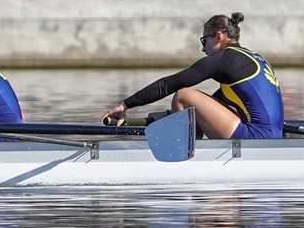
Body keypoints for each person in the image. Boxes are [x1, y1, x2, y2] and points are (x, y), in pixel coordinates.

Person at [102, 12, 284, 139]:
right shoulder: (249, 58)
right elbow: (204, 112)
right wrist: (169, 115)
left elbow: (169, 84)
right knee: (184, 107)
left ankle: (186, 152)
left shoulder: (226, 59)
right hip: (271, 134)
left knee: (183, 94)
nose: (203, 48)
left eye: (204, 40)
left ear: (219, 36)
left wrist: (126, 104)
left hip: (256, 136)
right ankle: (188, 141)